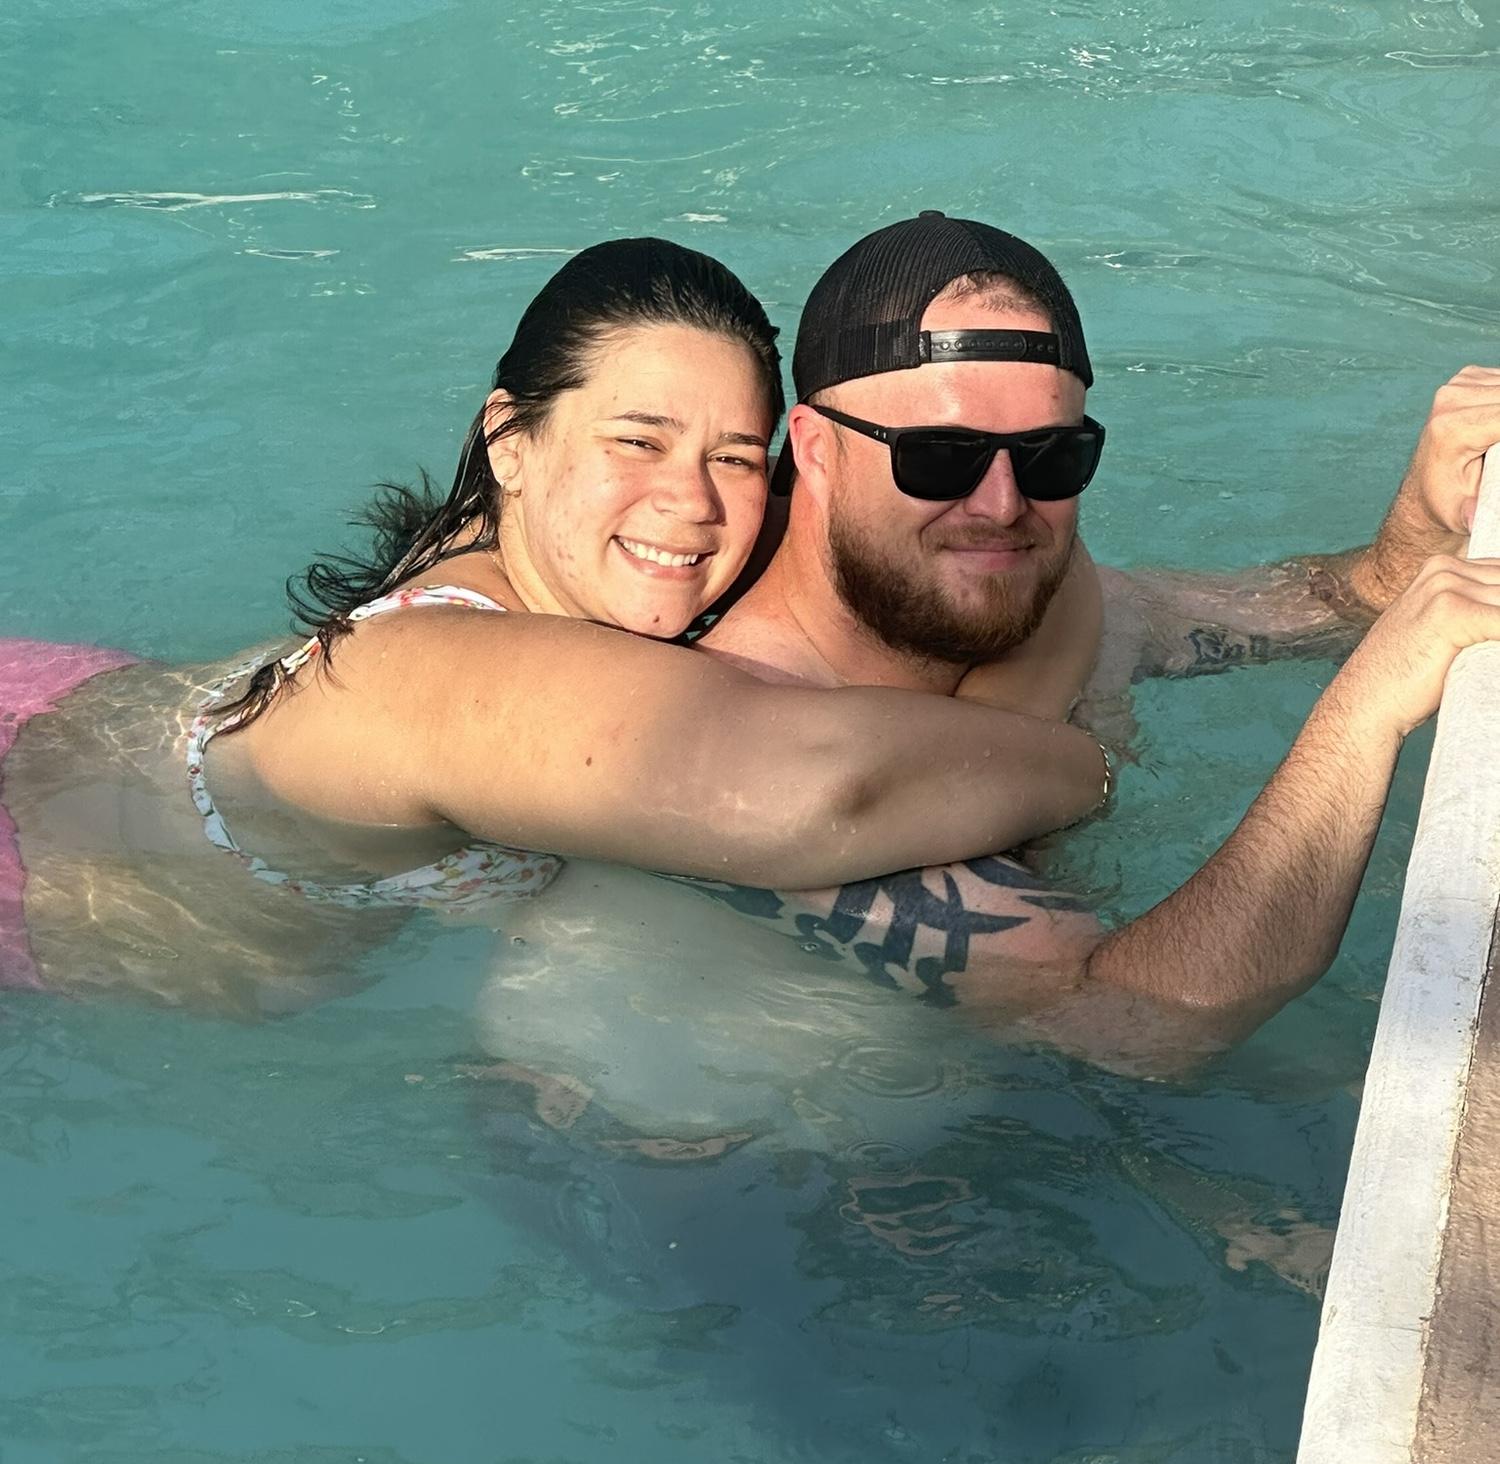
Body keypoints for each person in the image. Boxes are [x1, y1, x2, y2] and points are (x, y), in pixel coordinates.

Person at [0, 237, 1115, 1013]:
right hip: (31, 857)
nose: (691, 502)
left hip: (93, 716)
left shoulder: (567, 561)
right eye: (637, 441)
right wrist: (1080, 755)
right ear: (511, 440)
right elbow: (806, 795)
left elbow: (1007, 561)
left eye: (733, 457)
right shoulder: (435, 670)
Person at [502, 212, 1500, 1079]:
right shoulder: (750, 749)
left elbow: (1316, 609)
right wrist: (1363, 718)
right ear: (813, 450)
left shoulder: (1032, 599)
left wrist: (1420, 524)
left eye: (1052, 456)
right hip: (729, 1179)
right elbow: (1142, 1030)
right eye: (940, 457)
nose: (1002, 505)